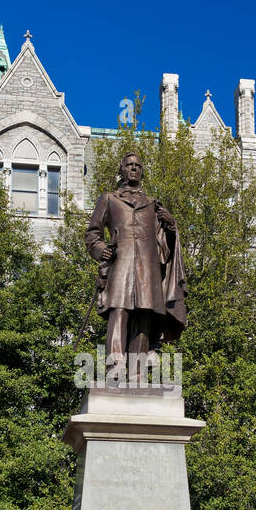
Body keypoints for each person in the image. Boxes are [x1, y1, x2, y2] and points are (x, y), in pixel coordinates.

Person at [84, 152, 187, 374]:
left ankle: (137, 369)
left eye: (138, 166)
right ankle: (115, 363)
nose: (133, 168)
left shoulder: (153, 204)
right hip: (120, 263)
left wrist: (171, 226)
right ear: (121, 170)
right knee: (118, 309)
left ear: (142, 171)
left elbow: (166, 245)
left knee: (144, 312)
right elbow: (92, 234)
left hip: (148, 267)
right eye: (129, 165)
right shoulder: (109, 199)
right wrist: (102, 251)